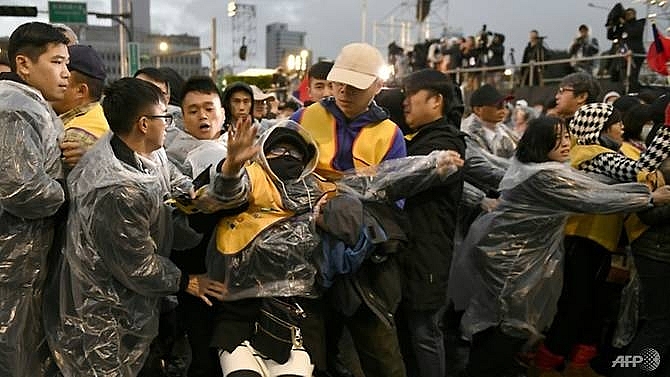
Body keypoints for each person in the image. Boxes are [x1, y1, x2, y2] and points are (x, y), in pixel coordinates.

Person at [206, 118, 463, 377]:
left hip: (299, 313)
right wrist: (232, 167)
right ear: (263, 155)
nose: (286, 156)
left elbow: (377, 182)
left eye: (294, 152)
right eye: (277, 151)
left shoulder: (320, 189)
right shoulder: (252, 178)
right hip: (242, 311)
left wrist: (429, 166)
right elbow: (225, 193)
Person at [450, 116, 670, 377]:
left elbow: (592, 184)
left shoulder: (540, 167)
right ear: (540, 143)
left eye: (566, 136)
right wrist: (648, 198)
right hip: (512, 258)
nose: (566, 143)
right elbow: (591, 198)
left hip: (518, 256)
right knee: (508, 324)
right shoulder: (543, 176)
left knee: (506, 323)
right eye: (557, 139)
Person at [44, 78, 220, 376]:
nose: (169, 124)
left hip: (134, 301)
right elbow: (137, 265)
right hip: (104, 312)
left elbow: (178, 187)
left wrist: (213, 185)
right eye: (164, 117)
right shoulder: (116, 188)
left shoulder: (148, 151)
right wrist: (186, 281)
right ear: (143, 124)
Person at [291, 42, 408, 377]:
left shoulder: (390, 135)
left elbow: (393, 200)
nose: (343, 91)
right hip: (306, 250)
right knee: (311, 351)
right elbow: (277, 178)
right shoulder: (304, 118)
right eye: (339, 82)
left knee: (378, 350)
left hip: (362, 258)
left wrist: (346, 203)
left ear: (377, 86)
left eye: (354, 86)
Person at [531, 102, 670, 377]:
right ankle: (545, 364)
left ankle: (577, 364)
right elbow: (637, 170)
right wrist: (666, 133)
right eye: (616, 123)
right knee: (575, 305)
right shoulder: (593, 153)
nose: (622, 127)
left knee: (592, 306)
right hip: (583, 239)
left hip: (597, 240)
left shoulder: (599, 152)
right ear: (601, 127)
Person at [0, 22, 69, 377]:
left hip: (23, 261)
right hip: (12, 263)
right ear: (24, 64)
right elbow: (19, 190)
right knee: (16, 355)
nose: (66, 74)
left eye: (67, 64)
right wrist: (68, 188)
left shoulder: (30, 104)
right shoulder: (14, 107)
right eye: (57, 62)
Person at [399, 69, 466, 377]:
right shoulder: (426, 137)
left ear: (436, 100)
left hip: (427, 252)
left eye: (411, 96)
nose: (405, 104)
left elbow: (396, 180)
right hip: (417, 249)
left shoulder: (443, 143)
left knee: (425, 330)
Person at [164, 75, 228, 377]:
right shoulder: (166, 159)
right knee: (204, 359)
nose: (202, 116)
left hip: (237, 278)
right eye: (193, 110)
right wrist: (186, 278)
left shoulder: (242, 149)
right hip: (195, 278)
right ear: (182, 116)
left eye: (209, 108)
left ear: (222, 113)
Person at [615, 158, 670, 377]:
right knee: (660, 324)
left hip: (660, 253)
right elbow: (647, 213)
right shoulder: (659, 165)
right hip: (658, 254)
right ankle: (626, 370)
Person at [51, 44, 109, 169]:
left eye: (64, 80)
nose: (53, 84)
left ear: (81, 91)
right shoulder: (100, 115)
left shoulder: (72, 137)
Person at [462, 84, 518, 158]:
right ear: (478, 110)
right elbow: (483, 164)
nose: (503, 111)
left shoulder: (501, 128)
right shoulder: (467, 133)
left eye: (505, 106)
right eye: (498, 106)